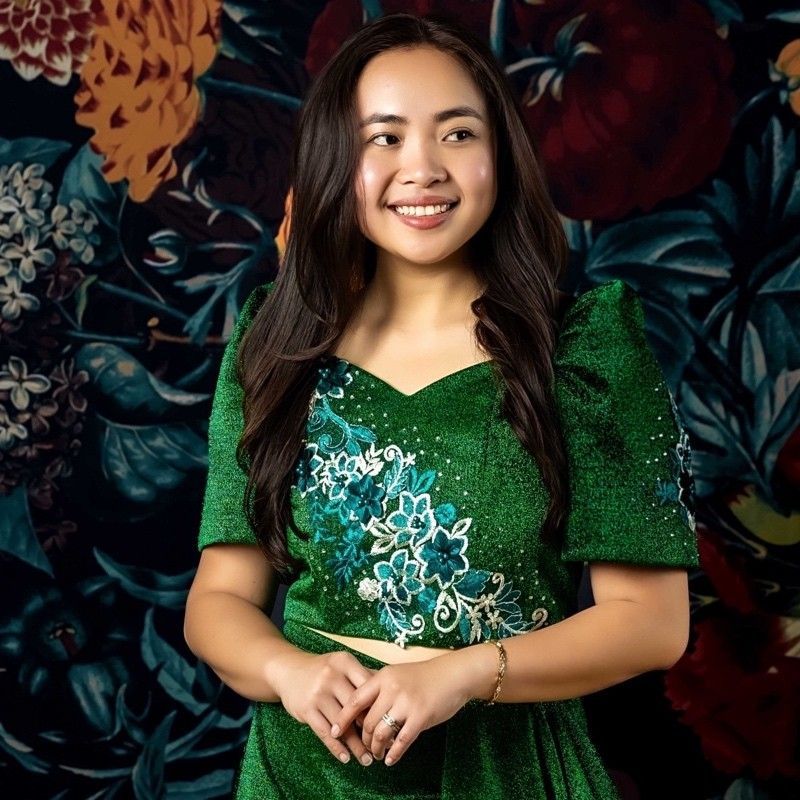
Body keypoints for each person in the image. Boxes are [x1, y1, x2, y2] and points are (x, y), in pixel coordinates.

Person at [183, 11, 699, 800]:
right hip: (307, 771)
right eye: (383, 138)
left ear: (501, 155)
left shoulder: (586, 350)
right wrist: (288, 670)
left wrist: (462, 676)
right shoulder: (275, 346)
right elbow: (219, 599)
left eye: (457, 134)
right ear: (335, 159)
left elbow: (653, 624)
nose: (422, 167)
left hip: (506, 766)